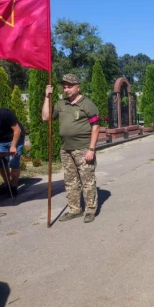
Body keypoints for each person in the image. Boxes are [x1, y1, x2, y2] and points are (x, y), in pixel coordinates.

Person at [42, 74, 100, 223]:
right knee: (70, 181)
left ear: (78, 87)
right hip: (66, 149)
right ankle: (74, 209)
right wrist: (47, 97)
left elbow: (95, 126)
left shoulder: (87, 104)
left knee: (87, 180)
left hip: (83, 148)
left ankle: (90, 210)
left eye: (69, 86)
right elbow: (46, 118)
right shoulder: (61, 104)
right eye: (64, 86)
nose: (66, 89)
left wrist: (91, 149)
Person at [0, 107, 26, 196]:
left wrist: (13, 146)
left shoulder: (5, 114)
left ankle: (14, 187)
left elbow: (17, 130)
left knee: (13, 165)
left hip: (16, 138)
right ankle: (8, 185)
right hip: (2, 140)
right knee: (1, 165)